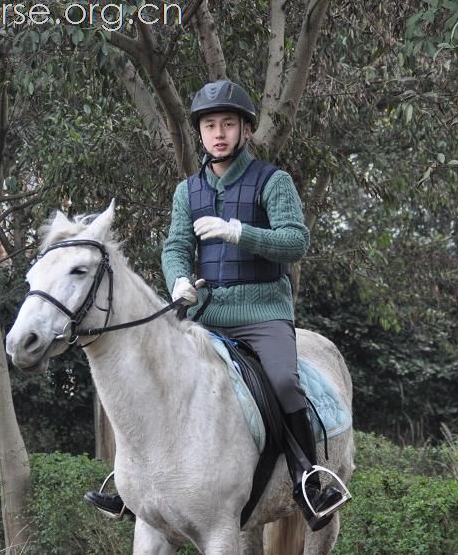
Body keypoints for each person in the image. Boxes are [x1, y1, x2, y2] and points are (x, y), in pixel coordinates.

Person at [85, 79, 347, 531]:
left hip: (263, 314)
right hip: (204, 316)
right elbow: (174, 247)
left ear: (245, 130)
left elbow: (296, 242)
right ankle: (132, 488)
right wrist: (179, 280)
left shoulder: (273, 181)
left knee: (284, 382)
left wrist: (238, 233)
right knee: (150, 374)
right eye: (210, 125)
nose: (219, 133)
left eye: (228, 124)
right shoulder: (188, 191)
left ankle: (309, 478)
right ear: (201, 134)